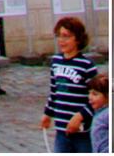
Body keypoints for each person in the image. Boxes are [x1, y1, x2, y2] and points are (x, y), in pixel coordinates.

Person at [40, 16, 96, 153]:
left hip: (82, 132)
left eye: (66, 36)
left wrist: (80, 116)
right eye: (59, 36)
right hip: (61, 130)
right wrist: (47, 114)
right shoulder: (56, 61)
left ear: (77, 39)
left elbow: (97, 99)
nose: (61, 40)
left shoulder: (87, 66)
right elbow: (54, 92)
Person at [88, 73, 109, 153]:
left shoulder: (107, 114)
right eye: (89, 93)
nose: (90, 97)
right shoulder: (99, 113)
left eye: (95, 94)